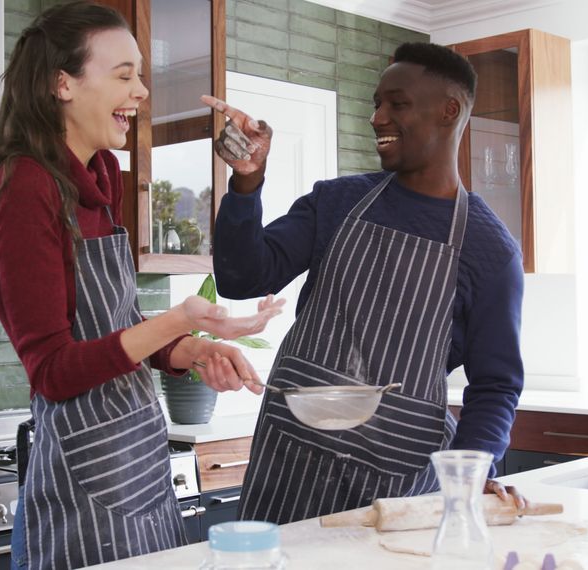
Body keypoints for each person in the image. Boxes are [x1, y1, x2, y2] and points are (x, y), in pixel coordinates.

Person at [0, 3, 283, 568]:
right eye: (124, 75)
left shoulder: (101, 173)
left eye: (141, 75)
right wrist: (182, 318)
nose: (143, 91)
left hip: (137, 463)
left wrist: (189, 349)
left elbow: (114, 325)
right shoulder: (24, 186)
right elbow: (53, 371)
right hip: (84, 479)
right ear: (63, 84)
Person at [203, 41, 525, 525]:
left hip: (397, 488)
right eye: (376, 103)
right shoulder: (336, 202)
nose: (377, 117)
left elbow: (496, 386)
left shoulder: (489, 250)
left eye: (397, 104)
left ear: (449, 111)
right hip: (288, 468)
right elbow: (240, 277)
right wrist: (246, 182)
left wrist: (470, 477)